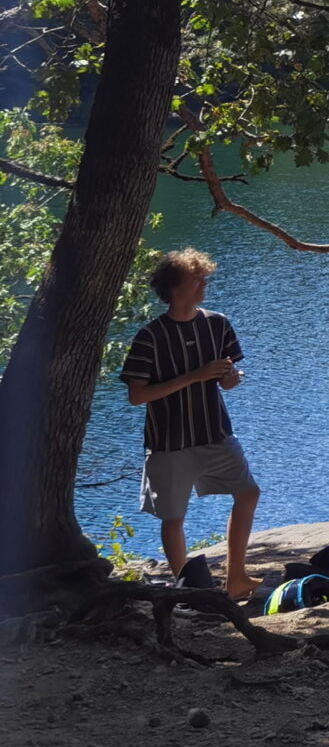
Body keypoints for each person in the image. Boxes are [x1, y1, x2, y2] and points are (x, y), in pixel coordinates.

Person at [119, 249, 261, 600]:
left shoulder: (218, 323)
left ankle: (236, 578)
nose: (204, 284)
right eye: (197, 279)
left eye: (203, 277)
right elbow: (138, 396)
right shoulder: (150, 337)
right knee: (174, 515)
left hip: (214, 432)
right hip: (169, 440)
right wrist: (194, 376)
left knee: (248, 493)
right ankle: (188, 587)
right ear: (175, 288)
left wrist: (229, 377)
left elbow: (228, 382)